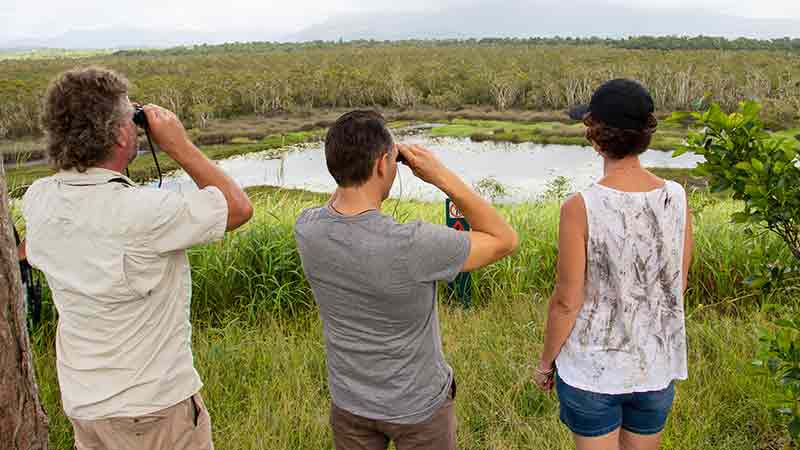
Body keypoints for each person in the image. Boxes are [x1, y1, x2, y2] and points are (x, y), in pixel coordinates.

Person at [22, 66, 253, 450]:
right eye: (131, 117)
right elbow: (238, 207)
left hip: (86, 407)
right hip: (154, 411)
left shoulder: (40, 197)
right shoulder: (144, 212)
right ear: (120, 133)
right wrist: (178, 144)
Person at [294, 110, 518, 450]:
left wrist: (353, 162)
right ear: (384, 164)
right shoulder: (413, 244)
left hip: (349, 402)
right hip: (418, 407)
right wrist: (440, 175)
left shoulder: (307, 228)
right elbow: (504, 239)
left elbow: (339, 201)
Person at [534, 79, 694, 450]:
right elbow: (677, 282)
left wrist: (545, 364)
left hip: (593, 373)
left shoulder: (580, 206)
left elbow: (566, 301)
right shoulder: (675, 196)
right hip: (654, 366)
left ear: (596, 135)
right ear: (645, 135)